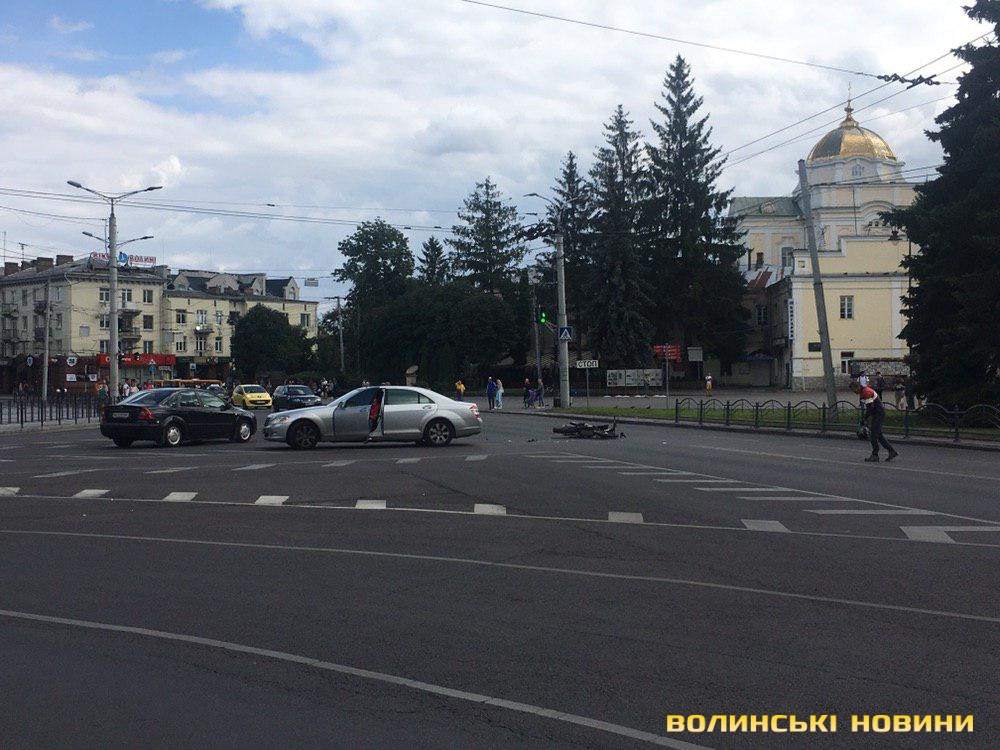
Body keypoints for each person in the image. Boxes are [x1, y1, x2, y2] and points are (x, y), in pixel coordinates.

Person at [851, 380, 898, 463]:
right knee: (878, 435)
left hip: (878, 414)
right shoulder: (864, 391)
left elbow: (870, 408)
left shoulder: (866, 392)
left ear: (857, 387)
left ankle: (875, 455)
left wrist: (864, 419)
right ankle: (891, 451)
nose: (854, 392)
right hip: (877, 413)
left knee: (873, 435)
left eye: (853, 389)